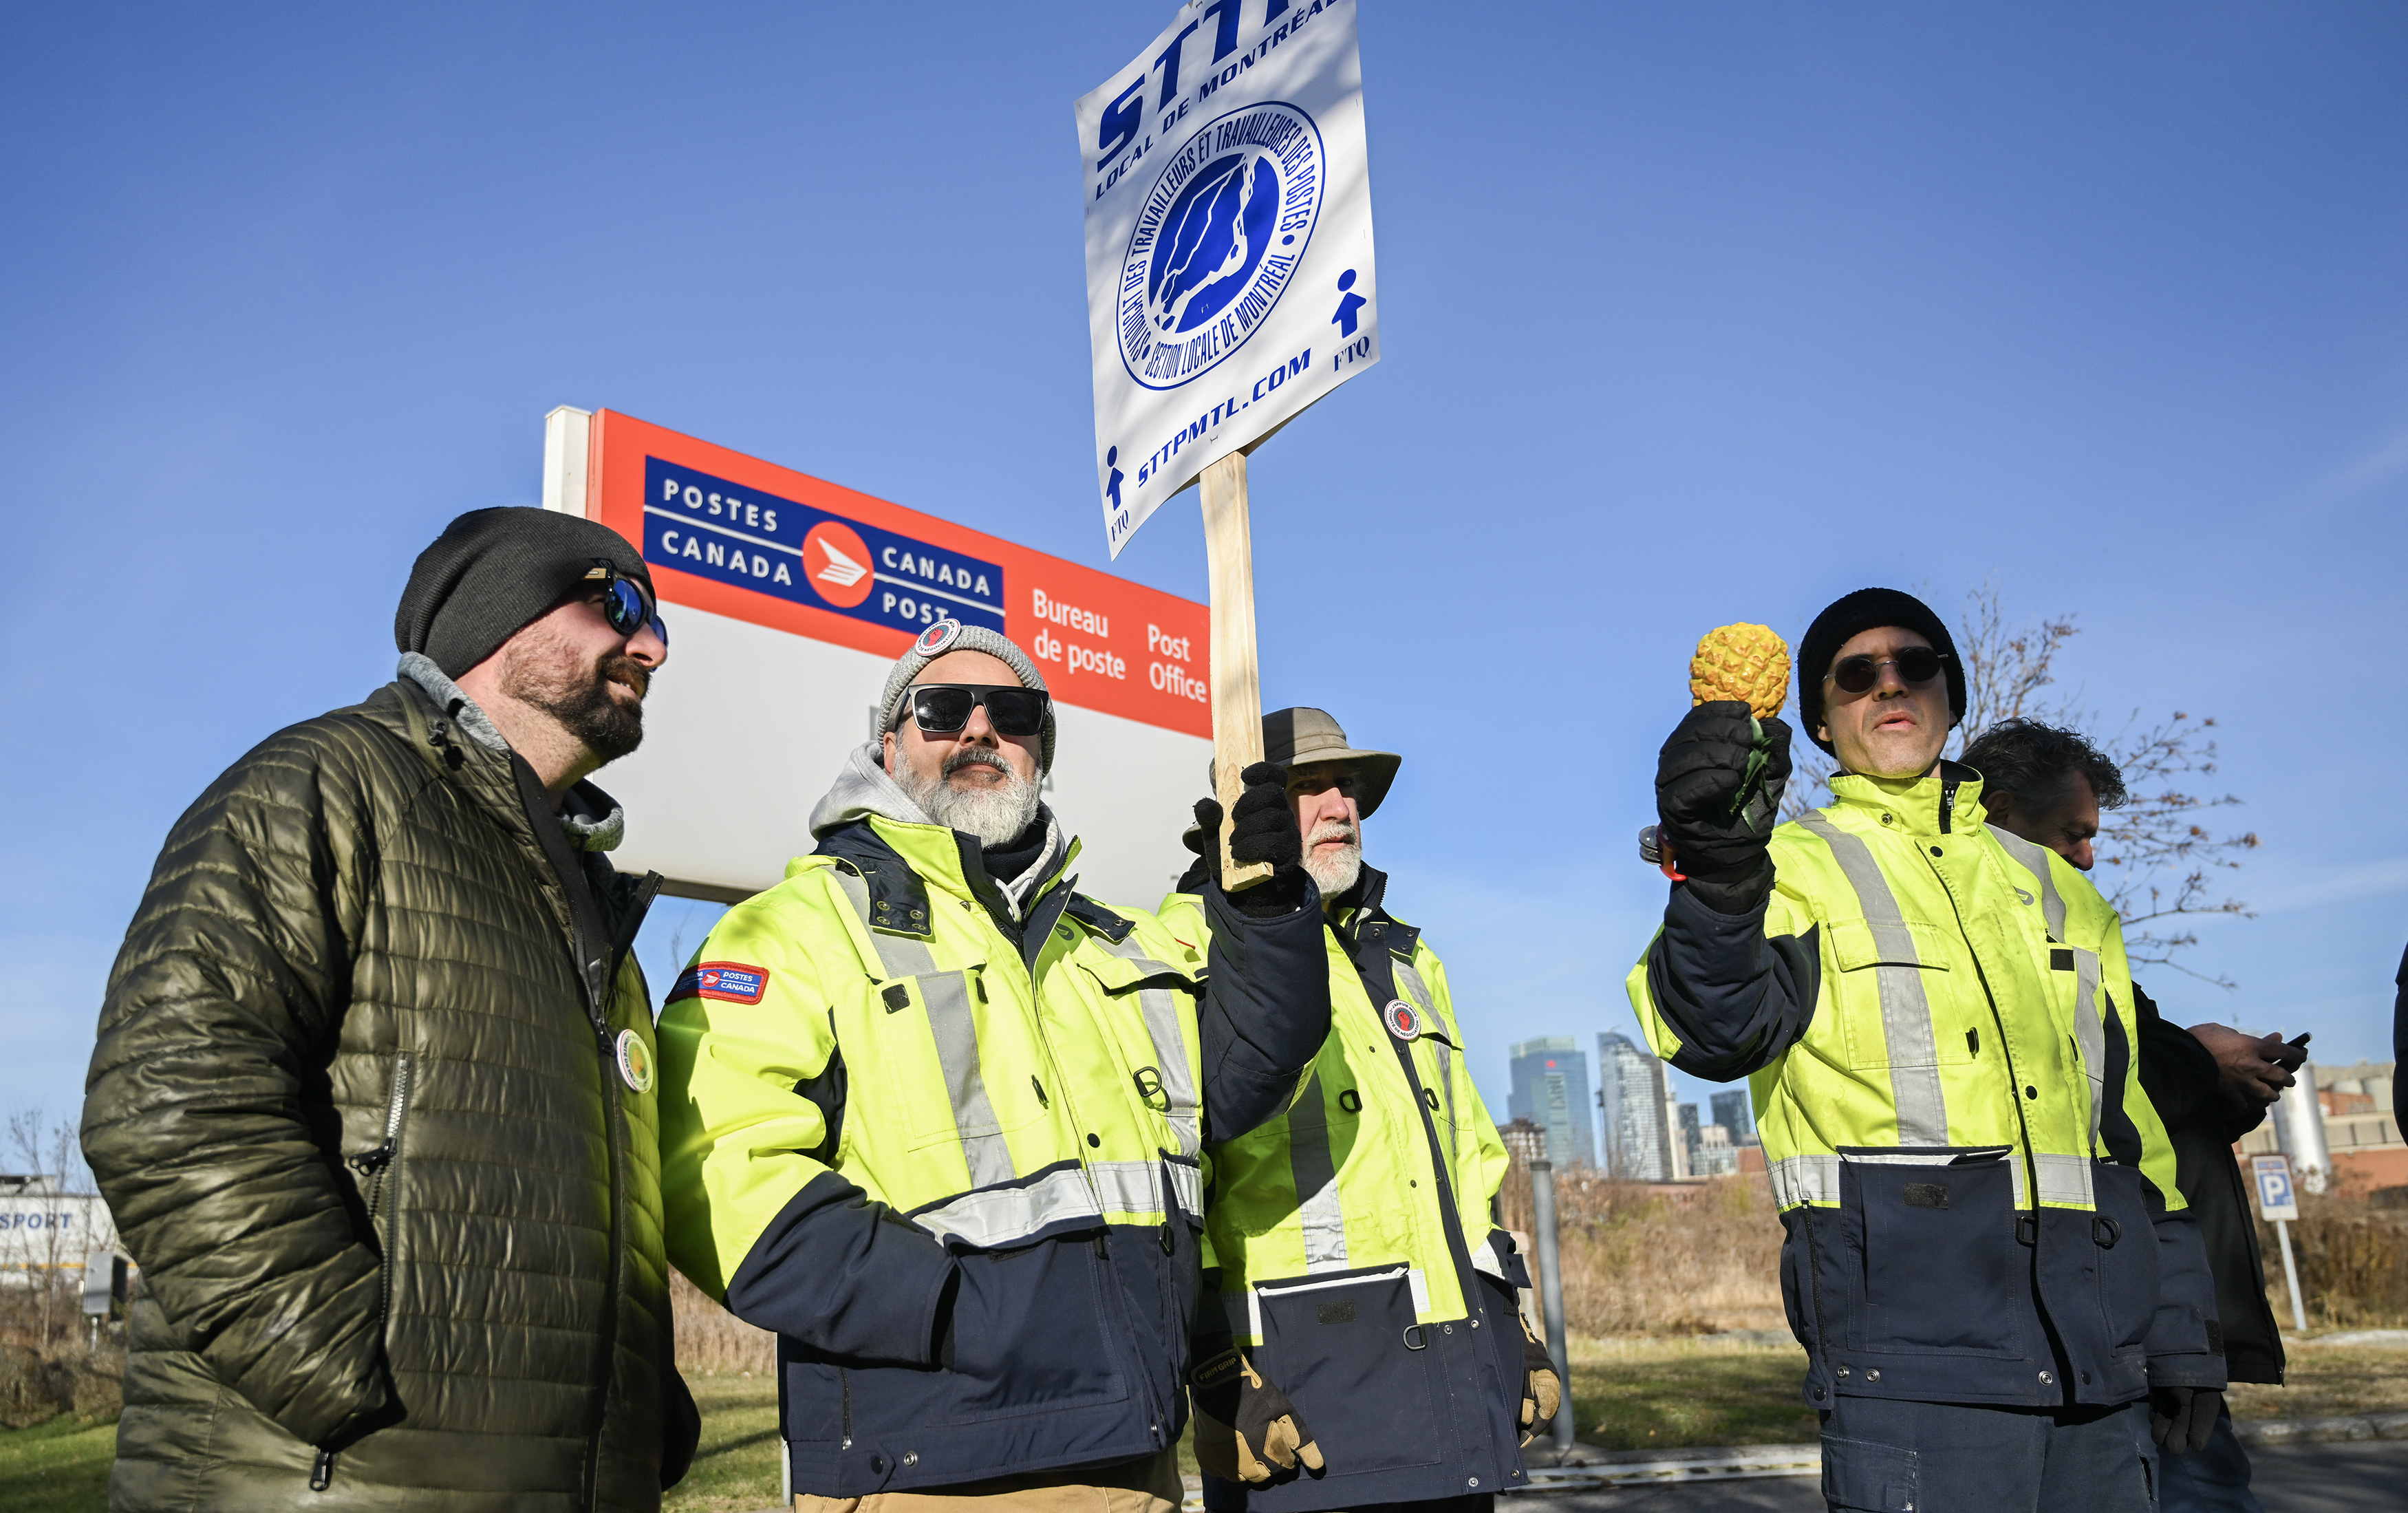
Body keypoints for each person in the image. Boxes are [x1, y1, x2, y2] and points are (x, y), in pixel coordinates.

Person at [82, 506, 699, 1510]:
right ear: (499, 617)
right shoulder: (323, 784)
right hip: (331, 1476)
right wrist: (339, 1369)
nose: (654, 645)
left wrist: (642, 1403)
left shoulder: (596, 898)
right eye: (619, 602)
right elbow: (167, 1098)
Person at [657, 619, 1333, 1513]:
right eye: (940, 708)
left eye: (1011, 711)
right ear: (888, 742)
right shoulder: (792, 927)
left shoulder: (1118, 940)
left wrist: (1266, 917)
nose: (979, 728)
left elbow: (1245, 1079)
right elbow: (711, 1171)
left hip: (1138, 1459)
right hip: (924, 1469)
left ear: (1039, 749)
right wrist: (960, 1308)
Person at [1626, 588, 2224, 1513]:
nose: (1891, 683)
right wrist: (1718, 869)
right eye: (1857, 674)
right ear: (1820, 721)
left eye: (1917, 664)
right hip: (1913, 1368)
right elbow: (1712, 1028)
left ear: (1954, 694)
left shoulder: (2060, 889)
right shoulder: (1788, 868)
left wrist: (2182, 1326)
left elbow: (2131, 1130)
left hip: (2100, 1363)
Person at [1159, 707, 1557, 1513]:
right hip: (1301, 1418)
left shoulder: (1407, 959)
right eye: (1307, 787)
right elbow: (1171, 1182)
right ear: (1249, 807)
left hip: (1449, 1407)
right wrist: (1213, 1372)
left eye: (1346, 786)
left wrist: (1509, 1321)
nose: (1339, 805)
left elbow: (1469, 1167)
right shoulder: (1181, 946)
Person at [1967, 716, 2306, 1513]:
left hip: (2161, 1321)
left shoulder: (2079, 934)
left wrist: (2227, 1092)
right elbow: (2102, 1088)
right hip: (2117, 1325)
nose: (2089, 856)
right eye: (2071, 835)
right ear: (2003, 814)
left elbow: (2141, 1121)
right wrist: (2198, 1055)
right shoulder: (1991, 949)